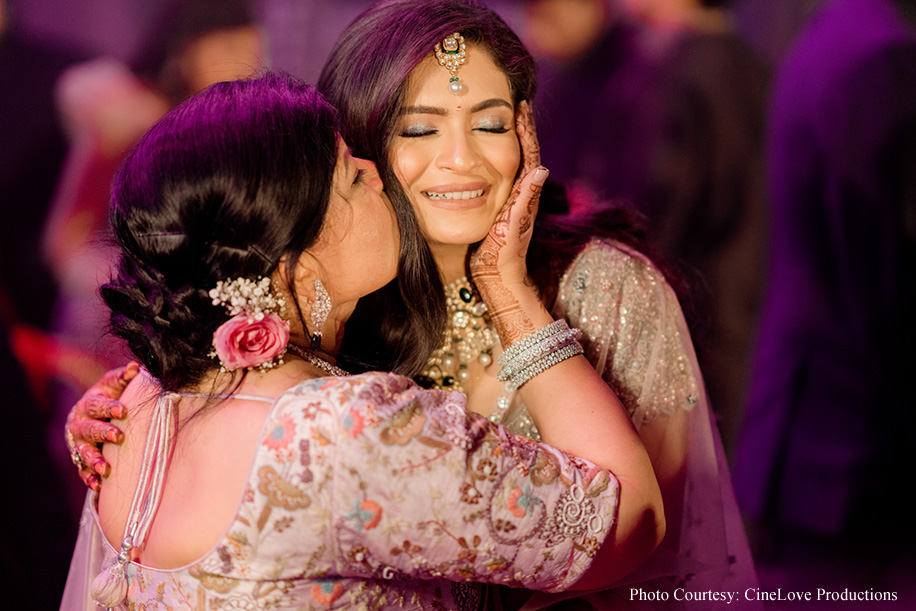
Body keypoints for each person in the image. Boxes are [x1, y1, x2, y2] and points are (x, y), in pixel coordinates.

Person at [68, 1, 756, 607]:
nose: (461, 160)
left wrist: (513, 294)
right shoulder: (340, 324)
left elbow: (662, 558)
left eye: (489, 124)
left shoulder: (603, 289)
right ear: (360, 143)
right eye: (419, 130)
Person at [733, 0, 916, 602]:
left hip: (817, 429)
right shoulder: (881, 54)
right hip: (851, 445)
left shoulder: (837, 32)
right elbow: (883, 276)